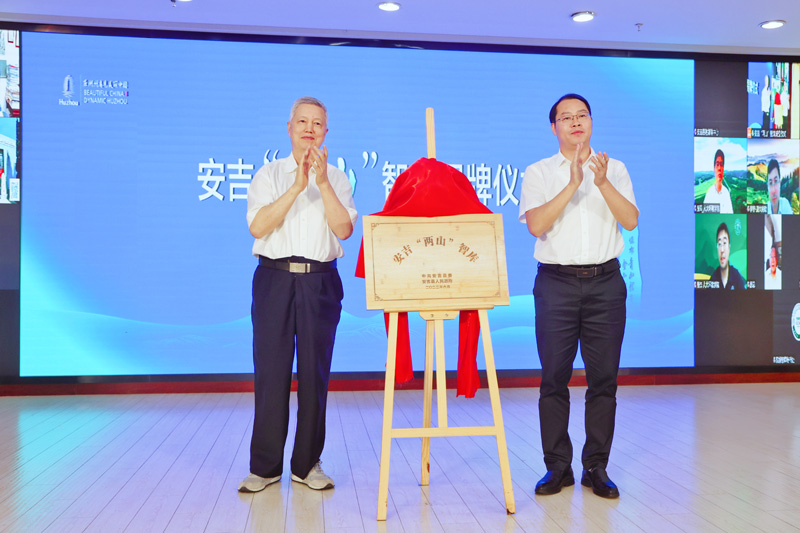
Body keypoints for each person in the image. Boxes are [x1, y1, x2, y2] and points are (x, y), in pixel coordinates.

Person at [519, 93, 638, 499]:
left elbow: (630, 220)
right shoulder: (538, 172)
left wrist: (600, 183)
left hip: (606, 283)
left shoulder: (613, 169)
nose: (575, 122)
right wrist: (573, 183)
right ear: (553, 128)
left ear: (591, 122)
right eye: (566, 117)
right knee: (554, 377)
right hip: (557, 284)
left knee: (603, 380)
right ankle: (557, 467)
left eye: (582, 115)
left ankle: (596, 466)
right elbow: (536, 225)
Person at [239, 96, 358, 493]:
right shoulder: (269, 174)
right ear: (289, 128)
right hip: (274, 280)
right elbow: (258, 227)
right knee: (270, 373)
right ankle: (265, 467)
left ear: (326, 132)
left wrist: (321, 184)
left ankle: (307, 465)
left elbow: (344, 230)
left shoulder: (337, 178)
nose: (310, 129)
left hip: (320, 282)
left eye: (317, 123)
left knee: (314, 374)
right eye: (302, 122)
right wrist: (296, 187)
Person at [709, 222, 745, 290]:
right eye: (719, 244)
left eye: (724, 243)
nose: (722, 250)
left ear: (729, 247)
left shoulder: (737, 277)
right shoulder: (713, 279)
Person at [703, 149, 733, 214]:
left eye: (721, 165)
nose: (719, 168)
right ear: (714, 169)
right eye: (717, 164)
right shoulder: (709, 193)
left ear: (723, 169)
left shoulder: (726, 193)